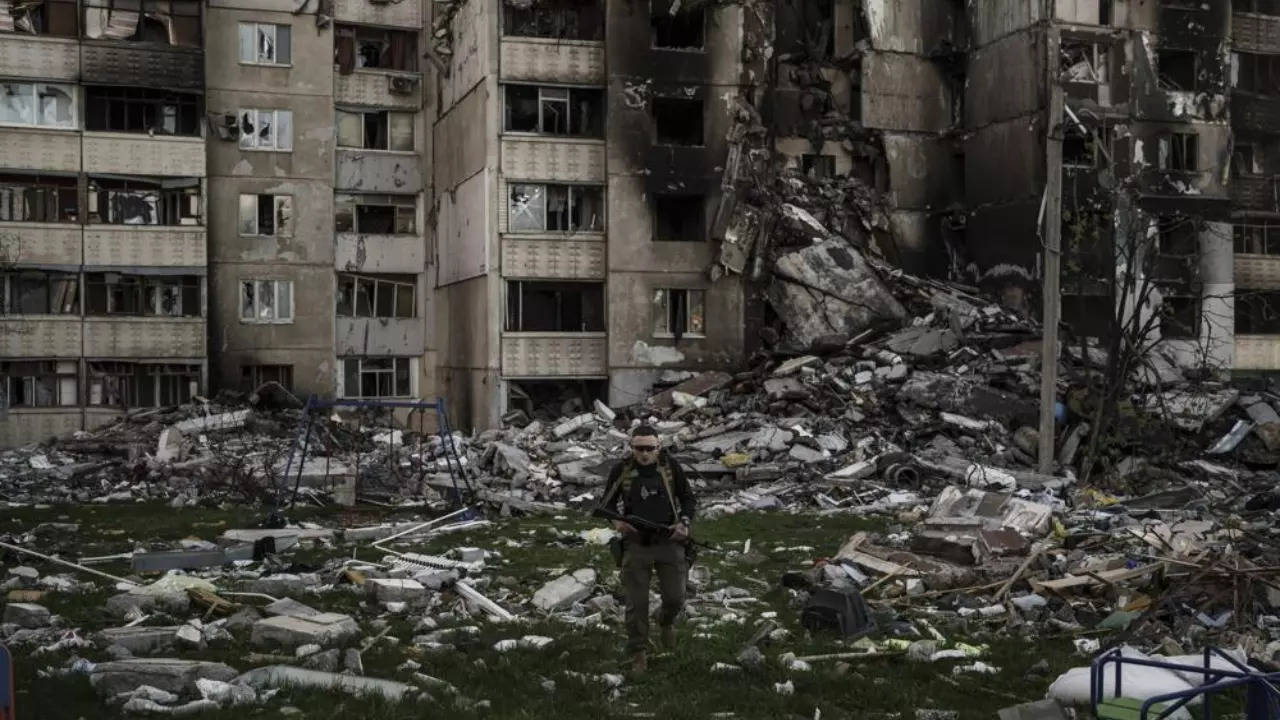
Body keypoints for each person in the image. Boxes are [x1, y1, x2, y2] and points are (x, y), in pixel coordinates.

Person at [598, 425, 696, 674]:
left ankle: (665, 621)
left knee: (675, 598)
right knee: (636, 603)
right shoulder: (622, 469)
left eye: (649, 449)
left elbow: (687, 498)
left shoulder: (669, 467)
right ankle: (639, 652)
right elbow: (606, 505)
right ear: (631, 447)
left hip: (669, 541)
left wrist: (684, 523)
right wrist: (618, 523)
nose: (643, 454)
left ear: (658, 447)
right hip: (637, 545)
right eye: (638, 448)